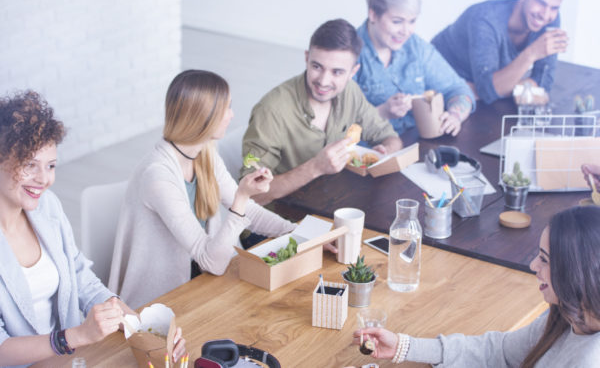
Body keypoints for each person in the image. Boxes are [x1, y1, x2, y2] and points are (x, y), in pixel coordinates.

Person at [0, 91, 185, 367]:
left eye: (50, 166)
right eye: (29, 165)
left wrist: (143, 330)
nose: (44, 179)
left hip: (74, 358)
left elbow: (81, 279)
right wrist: (73, 337)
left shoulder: (46, 207)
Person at [108, 70, 297, 309]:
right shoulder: (158, 176)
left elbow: (251, 212)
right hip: (164, 303)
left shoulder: (204, 152)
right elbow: (212, 261)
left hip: (204, 284)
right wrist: (241, 196)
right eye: (225, 109)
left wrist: (297, 234)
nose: (231, 115)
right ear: (202, 117)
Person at [351, 206, 600, 367]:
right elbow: (499, 351)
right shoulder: (566, 317)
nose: (534, 265)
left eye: (545, 259)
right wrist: (404, 346)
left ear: (577, 272)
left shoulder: (589, 359)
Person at [242, 19, 403, 205]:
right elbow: (250, 194)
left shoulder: (351, 91)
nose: (324, 81)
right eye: (317, 67)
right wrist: (315, 167)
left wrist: (385, 153)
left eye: (337, 72)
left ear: (353, 72)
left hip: (331, 204)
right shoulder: (271, 110)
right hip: (280, 220)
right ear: (306, 58)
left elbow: (391, 138)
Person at [354, 0, 475, 137]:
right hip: (372, 152)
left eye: (412, 21)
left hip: (418, 144)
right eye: (397, 22)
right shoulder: (349, 53)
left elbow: (459, 90)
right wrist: (382, 112)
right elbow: (336, 126)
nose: (406, 31)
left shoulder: (416, 47)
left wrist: (455, 115)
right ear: (373, 15)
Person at [431, 0, 569, 104]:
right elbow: (489, 91)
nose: (545, 15)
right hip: (440, 80)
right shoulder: (486, 20)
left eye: (554, 7)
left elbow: (544, 82)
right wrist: (531, 54)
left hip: (478, 89)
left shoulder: (550, 20)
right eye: (540, 2)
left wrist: (500, 87)